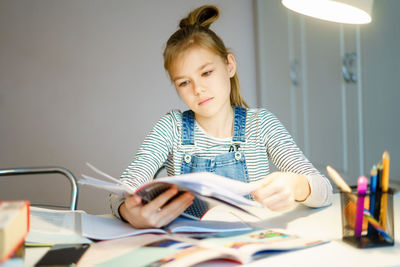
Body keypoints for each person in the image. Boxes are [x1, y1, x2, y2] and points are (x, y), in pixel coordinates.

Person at [110, 5, 332, 228]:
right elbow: (120, 193)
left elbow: (325, 191)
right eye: (184, 82)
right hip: (189, 247)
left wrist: (296, 185)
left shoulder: (261, 125)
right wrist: (128, 212)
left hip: (251, 243)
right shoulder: (172, 128)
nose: (198, 89)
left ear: (229, 66)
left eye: (206, 73)